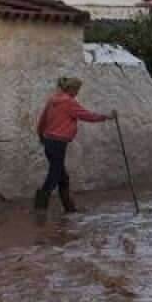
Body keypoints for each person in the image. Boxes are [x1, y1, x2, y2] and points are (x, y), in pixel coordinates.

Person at [35, 76, 116, 212]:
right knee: (54, 174)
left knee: (62, 177)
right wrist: (106, 117)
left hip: (49, 141)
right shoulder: (69, 102)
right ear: (71, 89)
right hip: (59, 143)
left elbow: (42, 121)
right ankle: (39, 208)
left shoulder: (52, 100)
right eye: (77, 90)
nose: (77, 93)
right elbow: (87, 115)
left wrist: (41, 137)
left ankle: (70, 209)